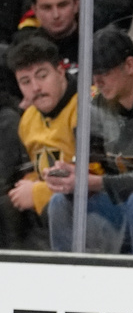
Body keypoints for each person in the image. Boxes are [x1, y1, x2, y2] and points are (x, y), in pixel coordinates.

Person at [45, 27, 133, 253]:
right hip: (122, 200)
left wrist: (92, 183)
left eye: (104, 72)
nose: (97, 81)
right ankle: (69, 281)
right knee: (61, 202)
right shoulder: (95, 100)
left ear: (130, 65)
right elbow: (93, 166)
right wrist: (72, 175)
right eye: (93, 73)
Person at [2, 37, 74, 249]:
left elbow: (93, 174)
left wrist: (38, 191)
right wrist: (29, 183)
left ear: (60, 71)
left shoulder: (84, 108)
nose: (35, 87)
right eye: (25, 82)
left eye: (42, 76)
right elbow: (36, 168)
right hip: (47, 206)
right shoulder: (28, 119)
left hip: (82, 204)